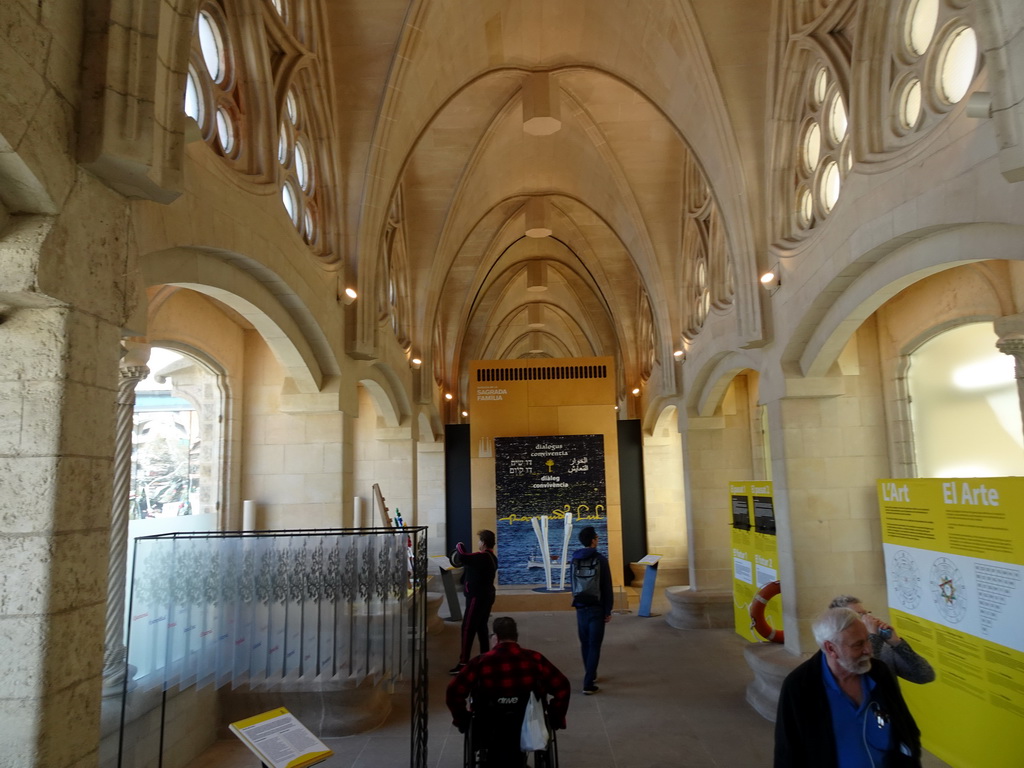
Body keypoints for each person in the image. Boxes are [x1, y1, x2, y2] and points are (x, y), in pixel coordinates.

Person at [774, 607, 922, 768]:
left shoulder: (879, 672)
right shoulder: (799, 686)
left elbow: (906, 727)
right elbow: (787, 752)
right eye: (858, 645)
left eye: (867, 639)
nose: (868, 649)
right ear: (831, 648)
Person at [446, 616, 571, 767]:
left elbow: (454, 691)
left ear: (496, 638)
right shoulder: (535, 659)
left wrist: (463, 720)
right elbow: (562, 686)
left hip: (487, 726)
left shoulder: (480, 662)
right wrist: (554, 718)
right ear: (515, 637)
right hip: (528, 725)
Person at [829, 595, 935, 684]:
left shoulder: (885, 648)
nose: (868, 619)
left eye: (867, 614)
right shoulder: (837, 653)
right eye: (860, 615)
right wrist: (873, 636)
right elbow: (864, 678)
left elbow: (926, 676)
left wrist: (897, 644)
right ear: (841, 624)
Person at [569, 526, 612, 695]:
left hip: (580, 606)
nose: (598, 539)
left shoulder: (575, 558)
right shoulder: (601, 559)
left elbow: (572, 583)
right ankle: (588, 682)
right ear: (593, 540)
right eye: (596, 537)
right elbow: (606, 587)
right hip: (596, 607)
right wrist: (608, 609)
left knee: (585, 643)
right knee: (595, 644)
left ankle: (590, 673)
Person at [449, 528, 498, 674]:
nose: (478, 543)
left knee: (467, 628)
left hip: (477, 597)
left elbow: (462, 555)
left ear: (483, 542)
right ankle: (485, 658)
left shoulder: (482, 557)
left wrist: (459, 544)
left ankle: (463, 662)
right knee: (481, 626)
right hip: (487, 595)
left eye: (479, 540)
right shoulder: (491, 557)